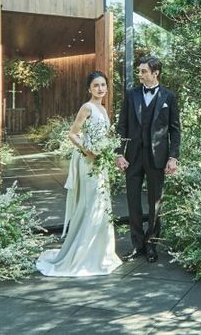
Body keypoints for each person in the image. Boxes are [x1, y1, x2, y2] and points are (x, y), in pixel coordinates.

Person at [36, 70, 122, 277]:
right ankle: (83, 255)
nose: (100, 89)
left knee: (101, 204)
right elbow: (72, 134)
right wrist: (88, 150)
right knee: (90, 203)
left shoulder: (103, 109)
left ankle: (100, 253)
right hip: (88, 162)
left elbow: (104, 136)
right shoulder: (87, 107)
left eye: (103, 85)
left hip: (101, 162)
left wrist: (107, 152)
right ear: (89, 89)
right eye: (96, 85)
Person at [115, 55, 180, 263]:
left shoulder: (169, 97)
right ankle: (137, 244)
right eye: (139, 71)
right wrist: (119, 153)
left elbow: (175, 130)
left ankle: (151, 245)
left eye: (144, 71)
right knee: (133, 201)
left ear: (155, 73)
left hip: (157, 157)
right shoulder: (131, 94)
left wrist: (173, 157)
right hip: (133, 157)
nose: (140, 74)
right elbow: (122, 126)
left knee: (155, 202)